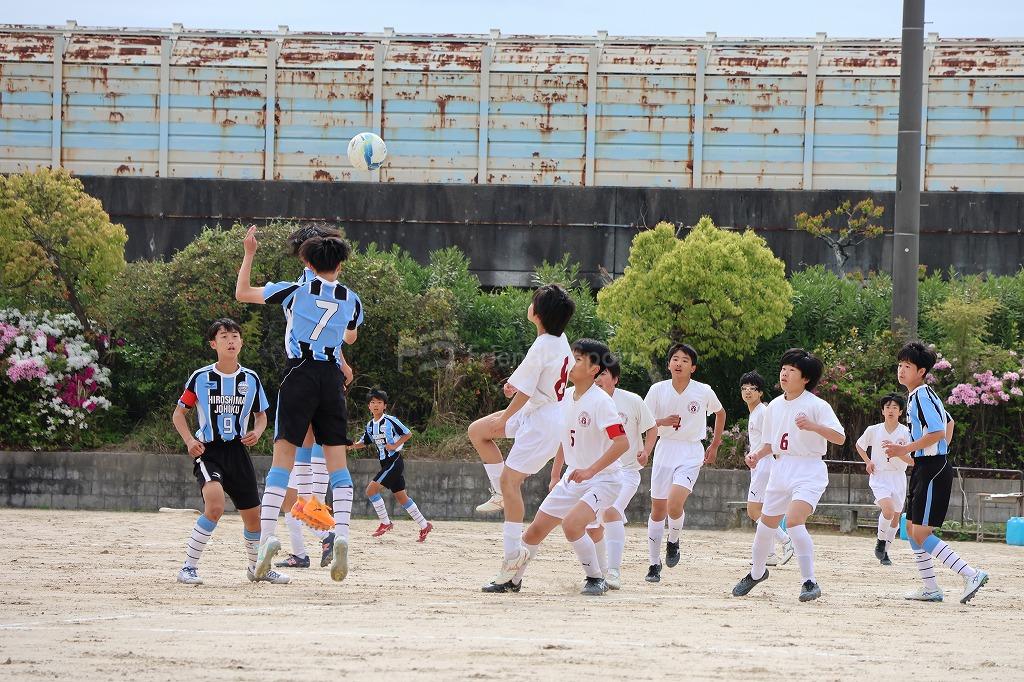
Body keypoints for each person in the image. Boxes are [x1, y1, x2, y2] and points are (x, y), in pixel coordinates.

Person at [235, 226, 363, 582]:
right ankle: (342, 536)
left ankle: (267, 539)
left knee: (282, 461)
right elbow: (349, 335)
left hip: (300, 374)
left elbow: (243, 293)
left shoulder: (295, 289)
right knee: (339, 466)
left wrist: (249, 253)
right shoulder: (352, 299)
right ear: (341, 263)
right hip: (332, 377)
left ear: (306, 261)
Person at [482, 339, 628, 595]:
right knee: (534, 531)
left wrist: (591, 470)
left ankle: (596, 578)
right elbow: (563, 438)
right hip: (574, 477)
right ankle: (512, 579)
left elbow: (622, 443)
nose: (572, 363)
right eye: (572, 357)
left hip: (604, 479)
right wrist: (554, 473)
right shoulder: (566, 398)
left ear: (595, 369)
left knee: (572, 525)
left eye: (580, 359)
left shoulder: (601, 402)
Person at [467, 284, 575, 583]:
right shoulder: (558, 339)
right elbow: (537, 379)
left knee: (511, 481)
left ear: (537, 314)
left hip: (542, 421)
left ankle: (512, 556)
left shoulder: (543, 345)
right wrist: (516, 390)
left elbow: (528, 390)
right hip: (540, 412)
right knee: (478, 431)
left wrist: (507, 415)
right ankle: (501, 495)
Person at [172, 318, 289, 585]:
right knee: (214, 506)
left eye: (235, 336)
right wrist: (190, 441)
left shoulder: (251, 378)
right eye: (224, 337)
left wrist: (258, 432)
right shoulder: (200, 377)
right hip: (209, 451)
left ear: (242, 342)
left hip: (238, 452)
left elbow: (261, 416)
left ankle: (257, 568)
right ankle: (188, 568)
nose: (231, 341)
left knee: (253, 517)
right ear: (214, 344)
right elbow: (179, 414)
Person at [732, 348, 845, 602]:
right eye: (784, 368)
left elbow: (840, 436)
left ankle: (809, 582)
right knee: (765, 526)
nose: (784, 373)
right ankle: (757, 573)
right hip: (780, 469)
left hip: (809, 469)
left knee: (794, 521)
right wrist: (756, 455)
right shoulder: (773, 406)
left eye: (791, 370)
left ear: (805, 378)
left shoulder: (817, 405)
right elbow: (771, 443)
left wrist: (813, 426)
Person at [884, 342, 988, 604]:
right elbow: (948, 421)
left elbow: (938, 431)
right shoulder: (918, 396)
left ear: (921, 371)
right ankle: (931, 589)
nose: (901, 370)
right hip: (924, 467)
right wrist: (919, 453)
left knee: (920, 533)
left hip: (932, 468)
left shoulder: (921, 395)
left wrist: (915, 450)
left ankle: (971, 574)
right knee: (910, 528)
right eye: (899, 365)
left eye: (907, 366)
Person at [642, 343, 725, 583]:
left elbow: (720, 413)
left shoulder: (703, 391)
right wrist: (663, 421)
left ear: (693, 367)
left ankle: (674, 540)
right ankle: (653, 564)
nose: (679, 363)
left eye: (685, 360)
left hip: (690, 451)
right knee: (658, 510)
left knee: (674, 503)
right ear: (669, 364)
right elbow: (645, 422)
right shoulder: (658, 390)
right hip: (665, 449)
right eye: (675, 359)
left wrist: (715, 443)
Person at [584, 354, 656, 589]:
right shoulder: (587, 401)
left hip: (626, 471)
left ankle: (614, 572)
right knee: (592, 524)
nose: (598, 378)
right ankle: (600, 573)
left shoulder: (632, 400)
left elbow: (652, 427)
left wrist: (645, 451)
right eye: (596, 373)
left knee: (612, 511)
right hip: (597, 473)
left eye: (604, 374)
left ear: (615, 379)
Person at [349, 388, 434, 542]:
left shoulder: (390, 420)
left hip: (394, 462)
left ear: (385, 406)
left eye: (379, 402)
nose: (376, 405)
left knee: (370, 490)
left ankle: (385, 523)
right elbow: (365, 441)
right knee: (402, 497)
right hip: (385, 464)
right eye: (372, 402)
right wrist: (352, 445)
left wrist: (394, 445)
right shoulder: (370, 425)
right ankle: (424, 525)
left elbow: (407, 433)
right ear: (369, 406)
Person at [740, 371, 793, 567]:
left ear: (760, 392)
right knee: (764, 510)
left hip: (765, 465)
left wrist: (757, 456)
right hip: (760, 465)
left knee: (754, 511)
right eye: (744, 388)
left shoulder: (762, 412)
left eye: (752, 388)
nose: (747, 392)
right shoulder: (755, 412)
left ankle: (786, 541)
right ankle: (769, 555)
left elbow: (773, 440)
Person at [855, 393, 912, 566]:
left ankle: (885, 551)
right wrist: (868, 461)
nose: (891, 410)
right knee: (887, 510)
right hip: (880, 476)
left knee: (895, 517)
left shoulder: (906, 432)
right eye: (887, 407)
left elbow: (913, 461)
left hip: (898, 477)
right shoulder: (873, 430)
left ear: (901, 412)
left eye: (895, 407)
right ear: (882, 410)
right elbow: (859, 445)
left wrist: (899, 452)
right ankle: (880, 541)